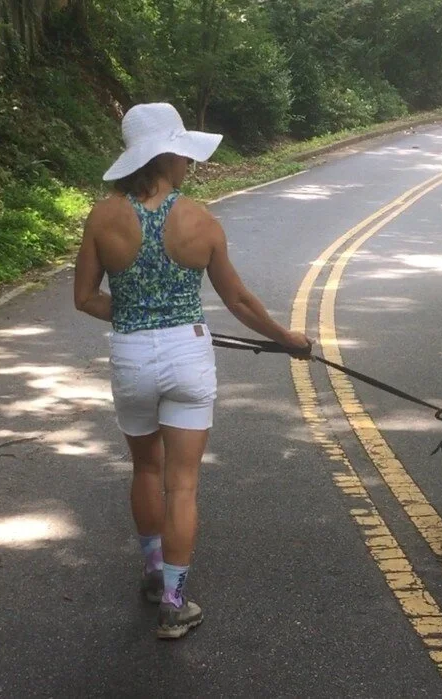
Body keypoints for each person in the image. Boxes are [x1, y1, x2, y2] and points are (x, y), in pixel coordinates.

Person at [73, 102, 311, 639]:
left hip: (131, 354)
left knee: (146, 470)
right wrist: (288, 340)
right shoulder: (200, 220)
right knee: (182, 485)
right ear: (164, 156)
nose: (189, 163)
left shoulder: (103, 218)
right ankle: (174, 604)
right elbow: (240, 301)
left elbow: (85, 297)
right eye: (183, 154)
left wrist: (137, 314)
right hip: (187, 354)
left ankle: (154, 575)